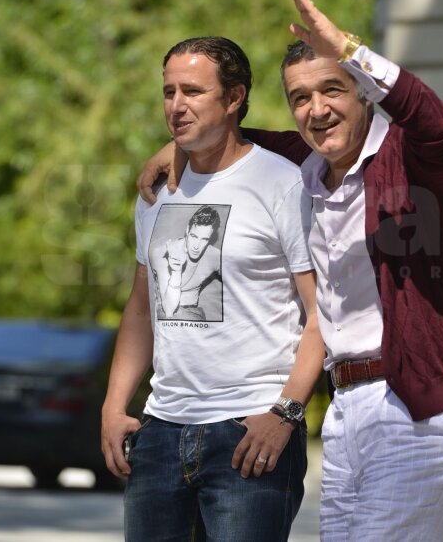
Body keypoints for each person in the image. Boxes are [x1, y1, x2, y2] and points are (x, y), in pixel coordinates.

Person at [137, 0, 443, 542]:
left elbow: (437, 122)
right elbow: (240, 140)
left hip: (415, 404)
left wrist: (348, 48)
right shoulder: (306, 164)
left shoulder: (408, 156)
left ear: (364, 93)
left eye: (333, 90)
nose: (317, 109)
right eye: (300, 97)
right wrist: (176, 143)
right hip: (344, 407)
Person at [101, 35, 325, 542]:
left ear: (234, 97)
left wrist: (285, 414)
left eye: (193, 91)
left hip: (250, 430)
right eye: (169, 92)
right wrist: (115, 406)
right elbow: (142, 308)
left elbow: (322, 312)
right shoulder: (156, 192)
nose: (176, 105)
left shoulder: (282, 183)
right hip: (160, 430)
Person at [151, 204, 221, 321]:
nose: (196, 246)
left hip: (193, 313)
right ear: (188, 230)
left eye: (204, 239)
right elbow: (168, 310)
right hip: (165, 311)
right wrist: (176, 271)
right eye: (194, 236)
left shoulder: (215, 256)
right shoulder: (163, 252)